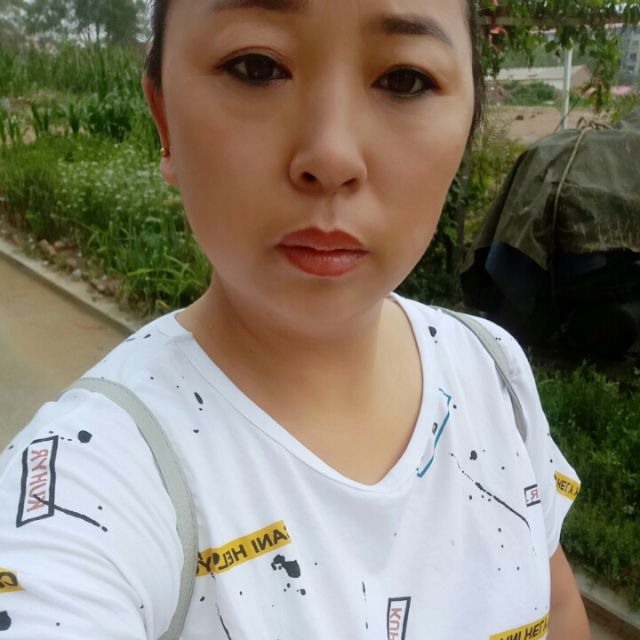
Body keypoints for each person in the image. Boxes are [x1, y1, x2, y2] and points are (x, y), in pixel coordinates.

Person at [0, 1, 591, 638]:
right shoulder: (84, 484)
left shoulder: (491, 368)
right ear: (164, 118)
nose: (331, 157)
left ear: (469, 119)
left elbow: (558, 611)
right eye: (256, 67)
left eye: (405, 79)